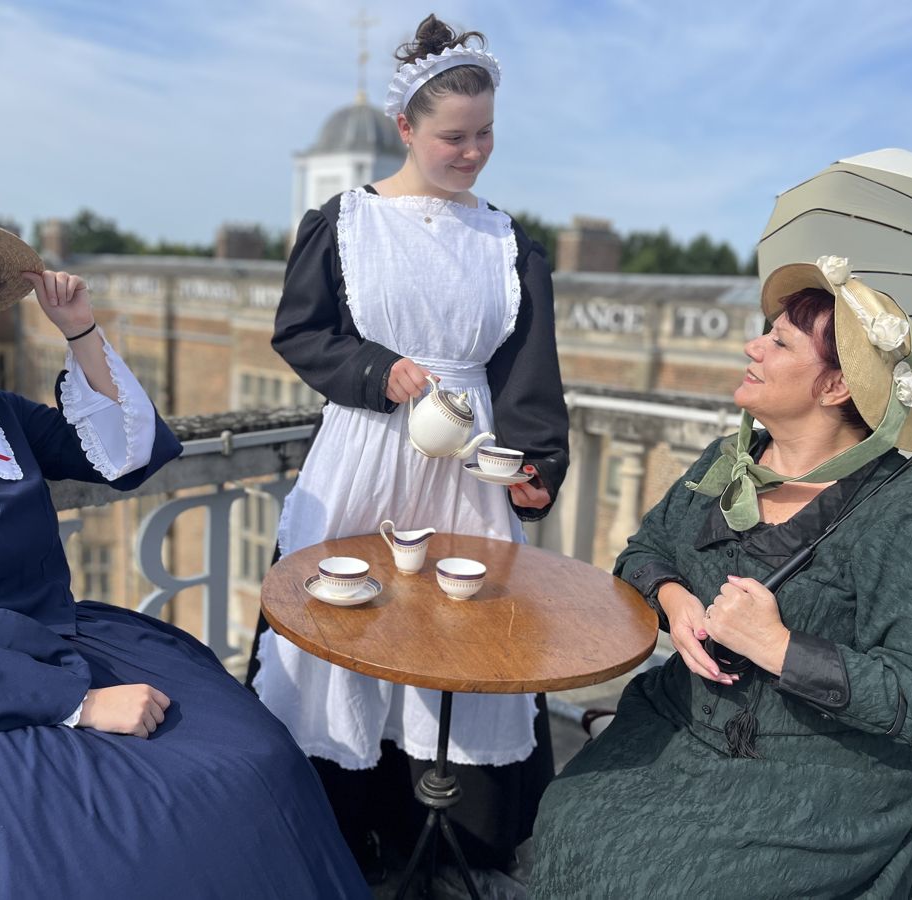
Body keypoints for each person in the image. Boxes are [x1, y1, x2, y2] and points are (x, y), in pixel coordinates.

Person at [0, 205, 367, 899]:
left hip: (65, 639)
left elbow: (126, 455)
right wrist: (77, 704)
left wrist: (80, 330)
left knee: (256, 762)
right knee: (127, 841)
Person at [245, 14, 570, 881]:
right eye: (453, 136)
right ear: (407, 130)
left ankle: (452, 836)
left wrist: (535, 467)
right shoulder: (344, 222)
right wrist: (376, 369)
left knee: (464, 630)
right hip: (364, 457)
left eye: (485, 133)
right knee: (347, 626)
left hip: (468, 464)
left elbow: (530, 374)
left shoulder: (507, 242)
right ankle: (340, 830)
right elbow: (300, 332)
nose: (473, 152)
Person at [530, 256, 912, 898]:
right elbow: (644, 550)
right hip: (684, 728)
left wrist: (779, 647)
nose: (752, 346)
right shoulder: (731, 462)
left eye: (779, 341)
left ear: (836, 386)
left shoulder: (907, 518)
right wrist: (675, 602)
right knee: (570, 817)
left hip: (818, 777)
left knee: (671, 881)